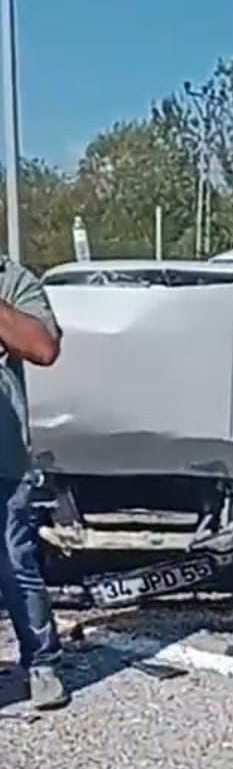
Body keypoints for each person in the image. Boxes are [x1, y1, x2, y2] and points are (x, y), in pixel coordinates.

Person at [0, 254, 65, 710]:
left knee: (15, 564)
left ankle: (41, 664)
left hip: (4, 456)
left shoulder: (13, 279)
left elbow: (43, 348)